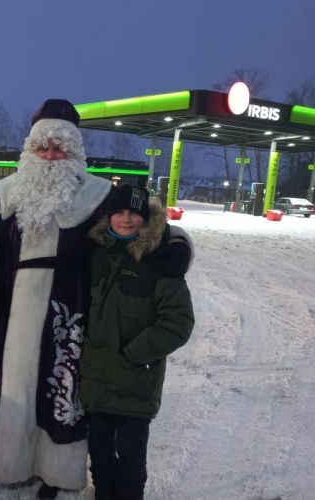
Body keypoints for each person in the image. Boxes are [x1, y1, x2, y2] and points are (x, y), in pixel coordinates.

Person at [0, 99, 112, 499]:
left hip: (66, 310)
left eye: (59, 147)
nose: (50, 155)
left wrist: (176, 246)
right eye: (42, 146)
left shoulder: (98, 196)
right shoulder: (6, 191)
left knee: (57, 392)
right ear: (29, 149)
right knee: (12, 386)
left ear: (75, 152)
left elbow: (145, 227)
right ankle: (9, 459)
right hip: (13, 309)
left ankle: (53, 471)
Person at [80, 184, 195, 500]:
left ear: (146, 218)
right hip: (96, 380)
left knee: (131, 462)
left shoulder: (161, 260)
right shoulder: (97, 254)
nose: (126, 219)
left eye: (134, 213)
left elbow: (179, 322)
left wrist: (133, 355)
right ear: (109, 216)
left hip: (135, 383)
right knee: (100, 457)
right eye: (119, 212)